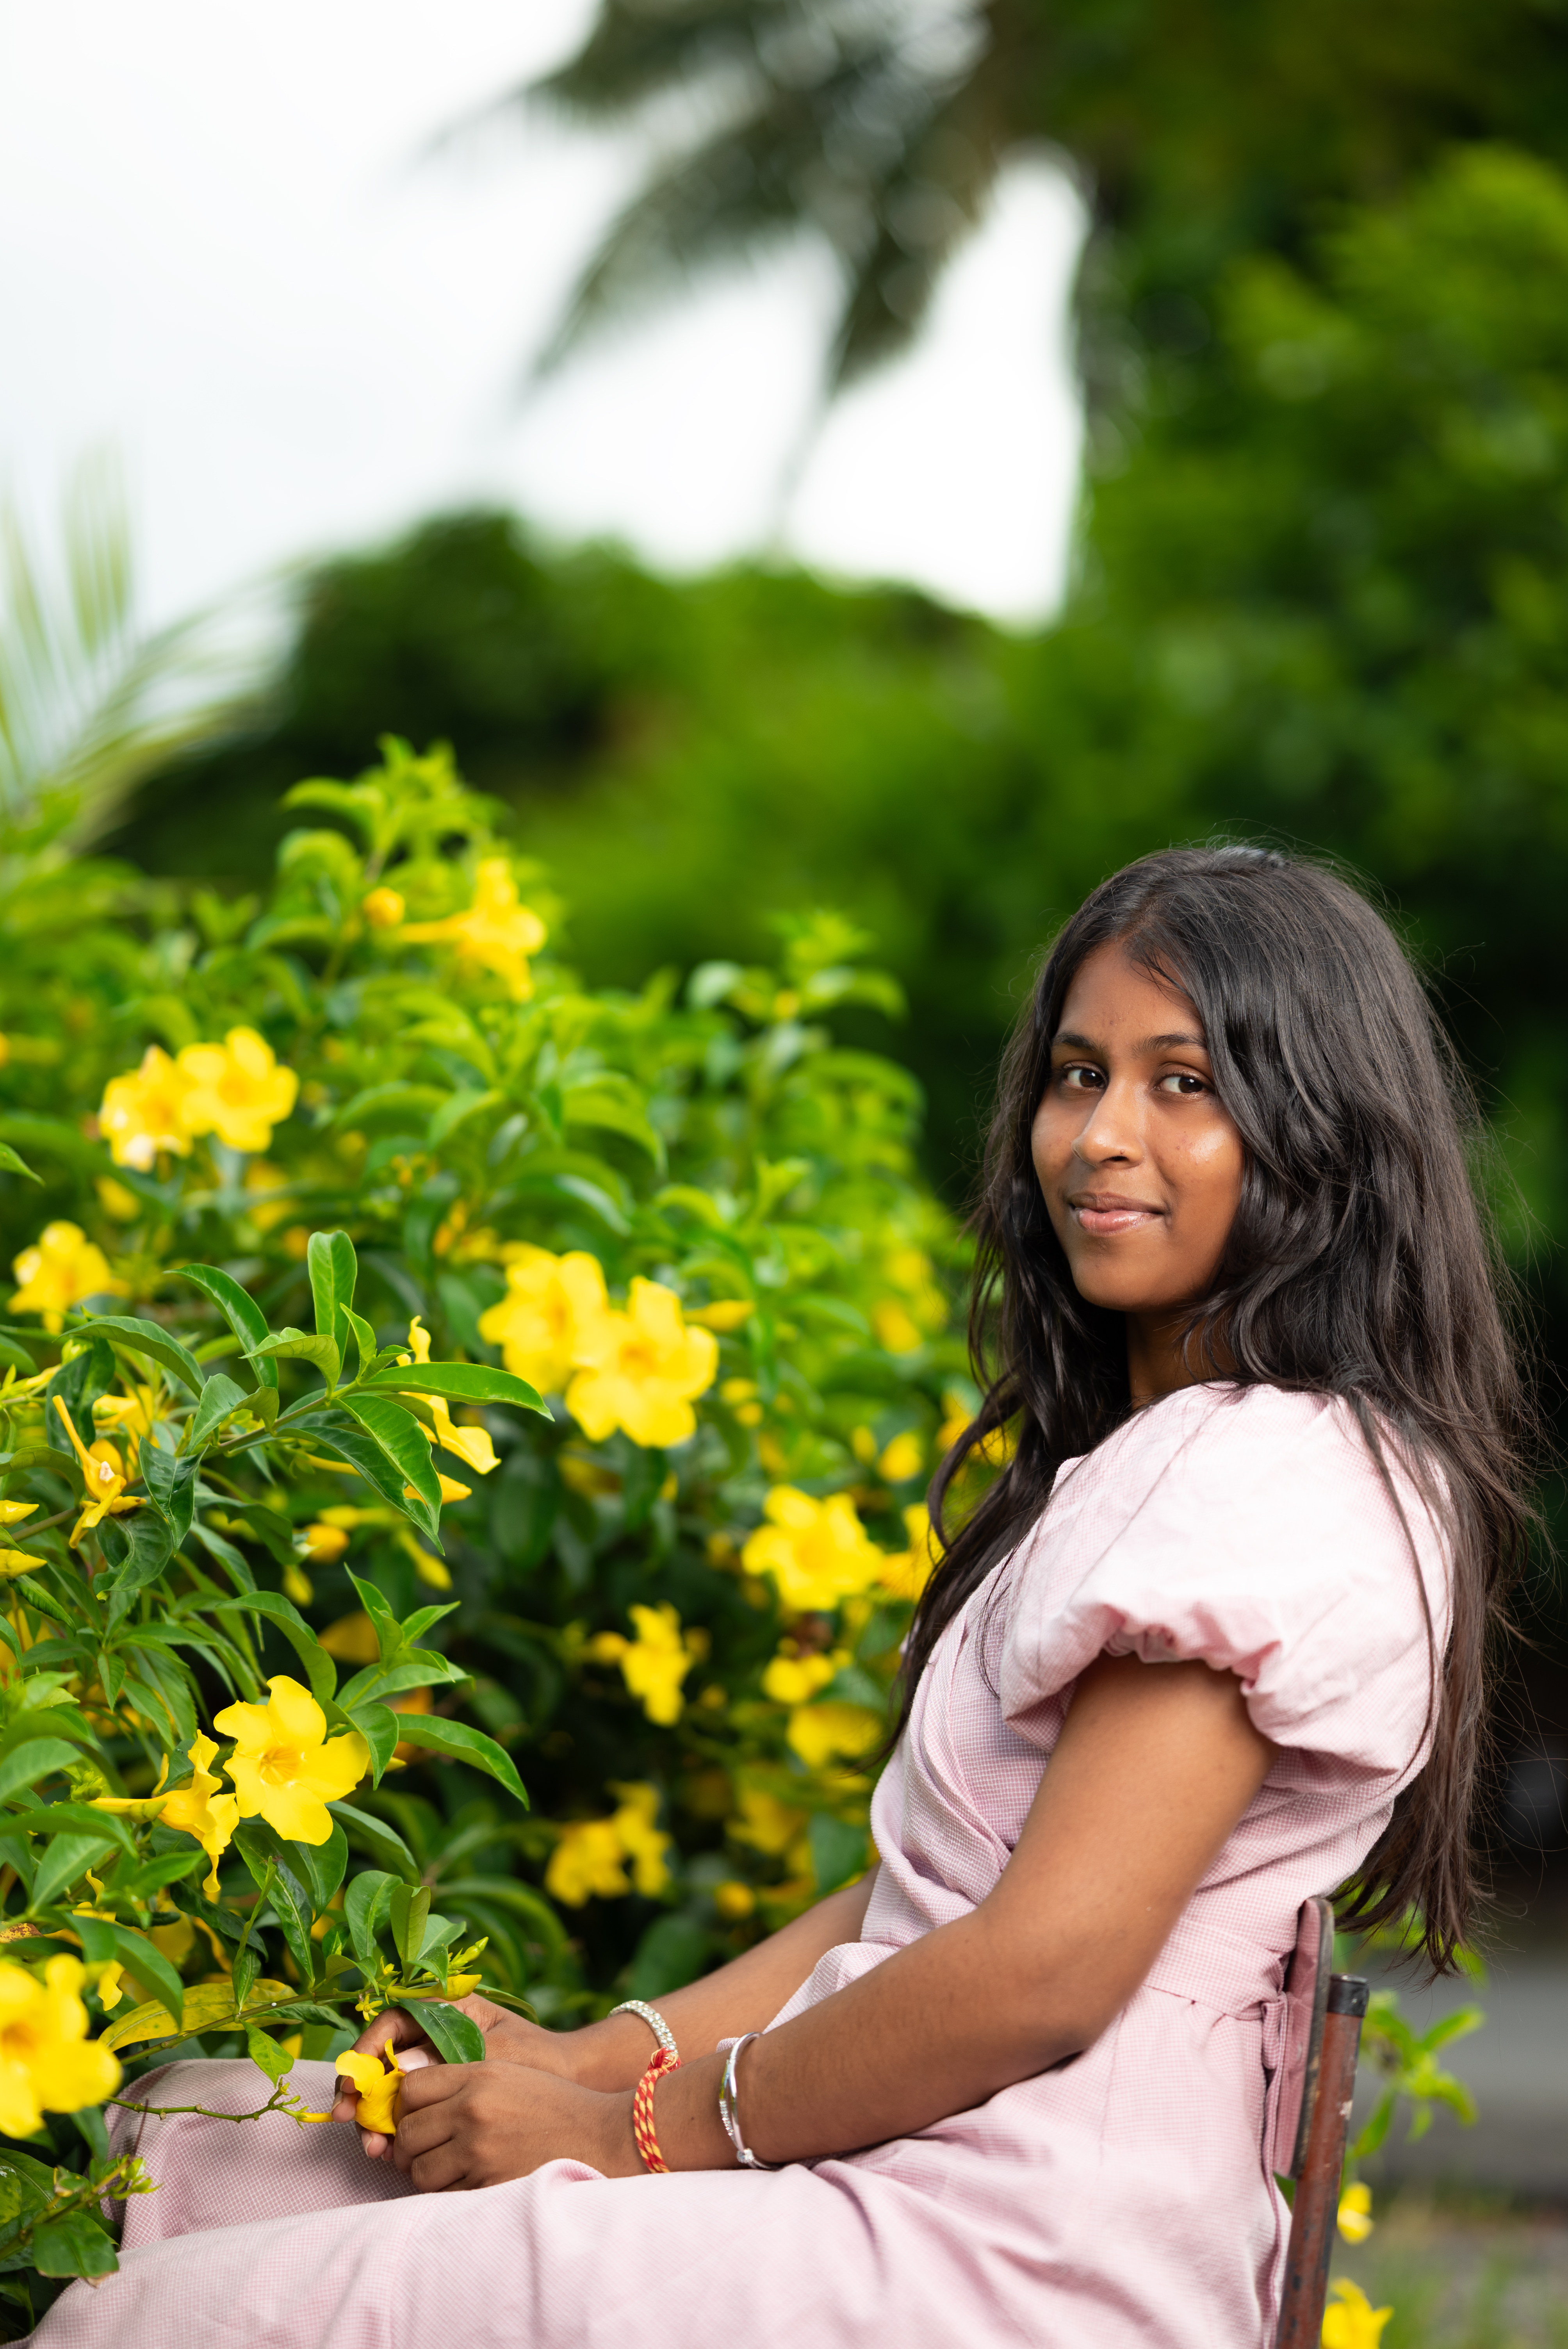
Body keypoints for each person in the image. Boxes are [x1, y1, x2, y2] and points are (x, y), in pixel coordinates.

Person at [33, 846, 1532, 2349]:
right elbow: (918, 1899)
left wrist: (627, 2134)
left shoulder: (1264, 1475)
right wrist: (593, 2057)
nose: (1100, 1138)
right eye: (1079, 1076)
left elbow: (1041, 1972)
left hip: (1010, 2257)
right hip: (939, 2174)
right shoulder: (1171, 1459)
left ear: (1323, 1132)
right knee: (211, 2144)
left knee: (183, 2316)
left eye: (1185, 1084)